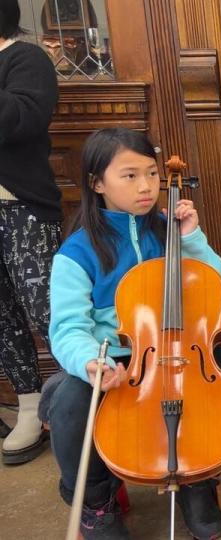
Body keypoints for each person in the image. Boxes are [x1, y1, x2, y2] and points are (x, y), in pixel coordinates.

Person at [44, 128, 221, 539]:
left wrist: (191, 239)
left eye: (151, 173)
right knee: (71, 407)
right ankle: (98, 501)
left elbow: (219, 287)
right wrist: (91, 360)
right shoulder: (77, 251)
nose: (147, 186)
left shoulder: (168, 228)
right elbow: (67, 328)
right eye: (130, 176)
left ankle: (198, 474)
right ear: (97, 183)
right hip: (115, 357)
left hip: (183, 346)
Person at [0, 0, 61, 465]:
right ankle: (27, 408)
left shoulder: (25, 58)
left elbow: (21, 119)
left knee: (46, 311)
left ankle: (73, 401)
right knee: (2, 318)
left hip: (21, 208)